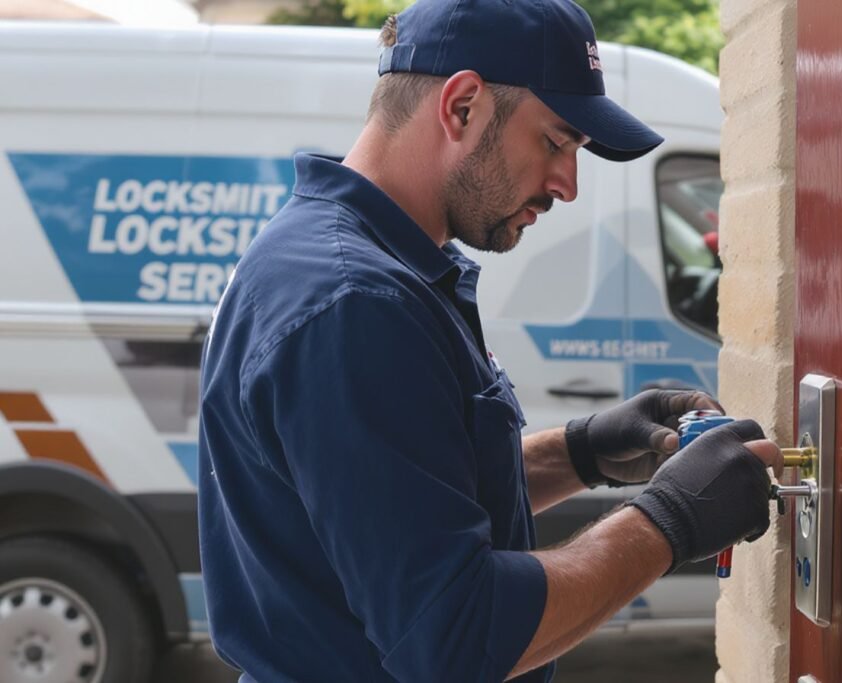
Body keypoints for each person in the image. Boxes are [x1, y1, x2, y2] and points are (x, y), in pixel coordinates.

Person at [197, 0, 783, 680]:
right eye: (557, 143)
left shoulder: (339, 260)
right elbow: (456, 636)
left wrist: (582, 451)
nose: (568, 184)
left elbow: (400, 501)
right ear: (463, 106)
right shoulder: (357, 303)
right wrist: (671, 519)